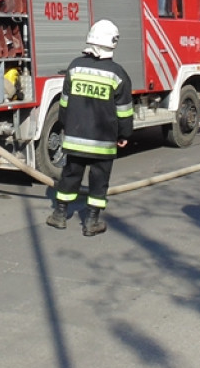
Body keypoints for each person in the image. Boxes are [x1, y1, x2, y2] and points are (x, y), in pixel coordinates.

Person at [46, 20, 134, 237]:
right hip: (102, 142)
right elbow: (124, 111)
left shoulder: (75, 67)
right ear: (112, 43)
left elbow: (64, 103)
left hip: (75, 138)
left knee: (70, 176)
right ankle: (91, 222)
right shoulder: (118, 74)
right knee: (99, 181)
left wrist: (66, 126)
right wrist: (124, 134)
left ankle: (59, 215)